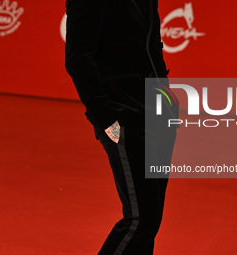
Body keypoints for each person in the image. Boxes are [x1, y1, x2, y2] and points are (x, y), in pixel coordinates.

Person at [65, 0, 177, 254]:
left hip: (160, 114)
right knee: (140, 220)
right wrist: (105, 119)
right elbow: (77, 60)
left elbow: (151, 47)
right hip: (125, 118)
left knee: (150, 223)